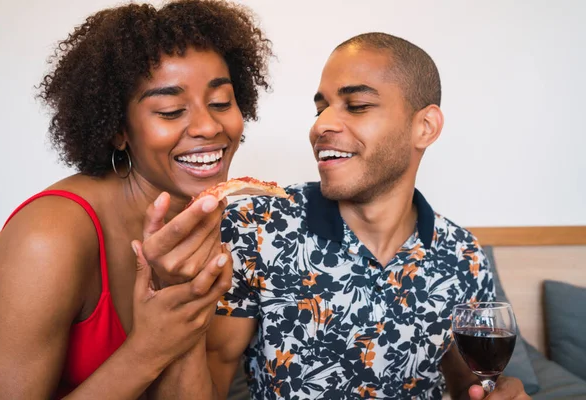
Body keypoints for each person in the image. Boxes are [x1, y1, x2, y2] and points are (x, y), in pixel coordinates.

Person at [154, 33, 531, 399]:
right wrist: (177, 298)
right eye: (321, 109)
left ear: (425, 127)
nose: (320, 126)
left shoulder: (464, 256)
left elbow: (471, 385)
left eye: (357, 106)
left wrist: (501, 390)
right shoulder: (256, 227)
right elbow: (207, 386)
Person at [0, 1, 272, 398]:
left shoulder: (211, 222)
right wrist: (149, 347)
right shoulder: (48, 238)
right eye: (171, 111)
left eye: (222, 102)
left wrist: (182, 312)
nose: (209, 126)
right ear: (119, 129)